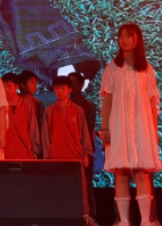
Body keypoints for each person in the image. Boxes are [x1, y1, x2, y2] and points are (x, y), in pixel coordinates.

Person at [100, 23, 162, 226]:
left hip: (142, 126)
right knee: (121, 173)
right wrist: (105, 128)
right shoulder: (112, 68)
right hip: (118, 126)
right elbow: (107, 99)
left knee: (142, 172)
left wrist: (154, 130)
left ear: (137, 39)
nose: (124, 40)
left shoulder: (147, 69)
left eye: (129, 36)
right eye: (121, 36)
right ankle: (124, 221)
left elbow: (152, 101)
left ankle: (146, 221)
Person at [42, 76, 94, 225]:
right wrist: (47, 156)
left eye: (63, 88)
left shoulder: (78, 111)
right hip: (56, 156)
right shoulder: (49, 111)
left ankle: (84, 216)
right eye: (57, 88)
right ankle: (57, 216)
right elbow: (45, 136)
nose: (60, 91)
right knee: (57, 187)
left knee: (79, 188)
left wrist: (86, 153)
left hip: (75, 156)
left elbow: (84, 133)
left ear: (69, 90)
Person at [69, 72, 97, 220]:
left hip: (84, 151)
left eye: (73, 82)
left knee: (86, 184)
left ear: (81, 85)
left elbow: (89, 128)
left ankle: (90, 215)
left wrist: (87, 152)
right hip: (67, 151)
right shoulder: (62, 105)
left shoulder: (89, 106)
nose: (70, 86)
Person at [1, 72, 40, 159]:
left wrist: (34, 152)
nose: (6, 90)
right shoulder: (0, 106)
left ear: (17, 86)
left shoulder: (27, 105)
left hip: (25, 154)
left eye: (9, 86)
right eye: (3, 87)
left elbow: (33, 130)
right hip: (4, 155)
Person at [19, 70, 46, 152]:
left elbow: (42, 126)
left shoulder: (38, 103)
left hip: (33, 144)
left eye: (36, 84)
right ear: (23, 84)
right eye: (32, 83)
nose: (35, 86)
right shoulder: (14, 102)